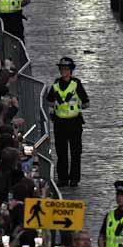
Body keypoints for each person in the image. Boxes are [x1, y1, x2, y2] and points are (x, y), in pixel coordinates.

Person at [48, 56, 89, 186]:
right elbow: (49, 100)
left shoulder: (76, 84)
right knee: (61, 152)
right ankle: (63, 178)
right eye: (62, 69)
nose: (63, 71)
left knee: (76, 152)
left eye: (66, 69)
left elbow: (86, 102)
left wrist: (76, 107)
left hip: (74, 122)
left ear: (71, 70)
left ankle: (74, 179)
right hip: (60, 123)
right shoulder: (55, 85)